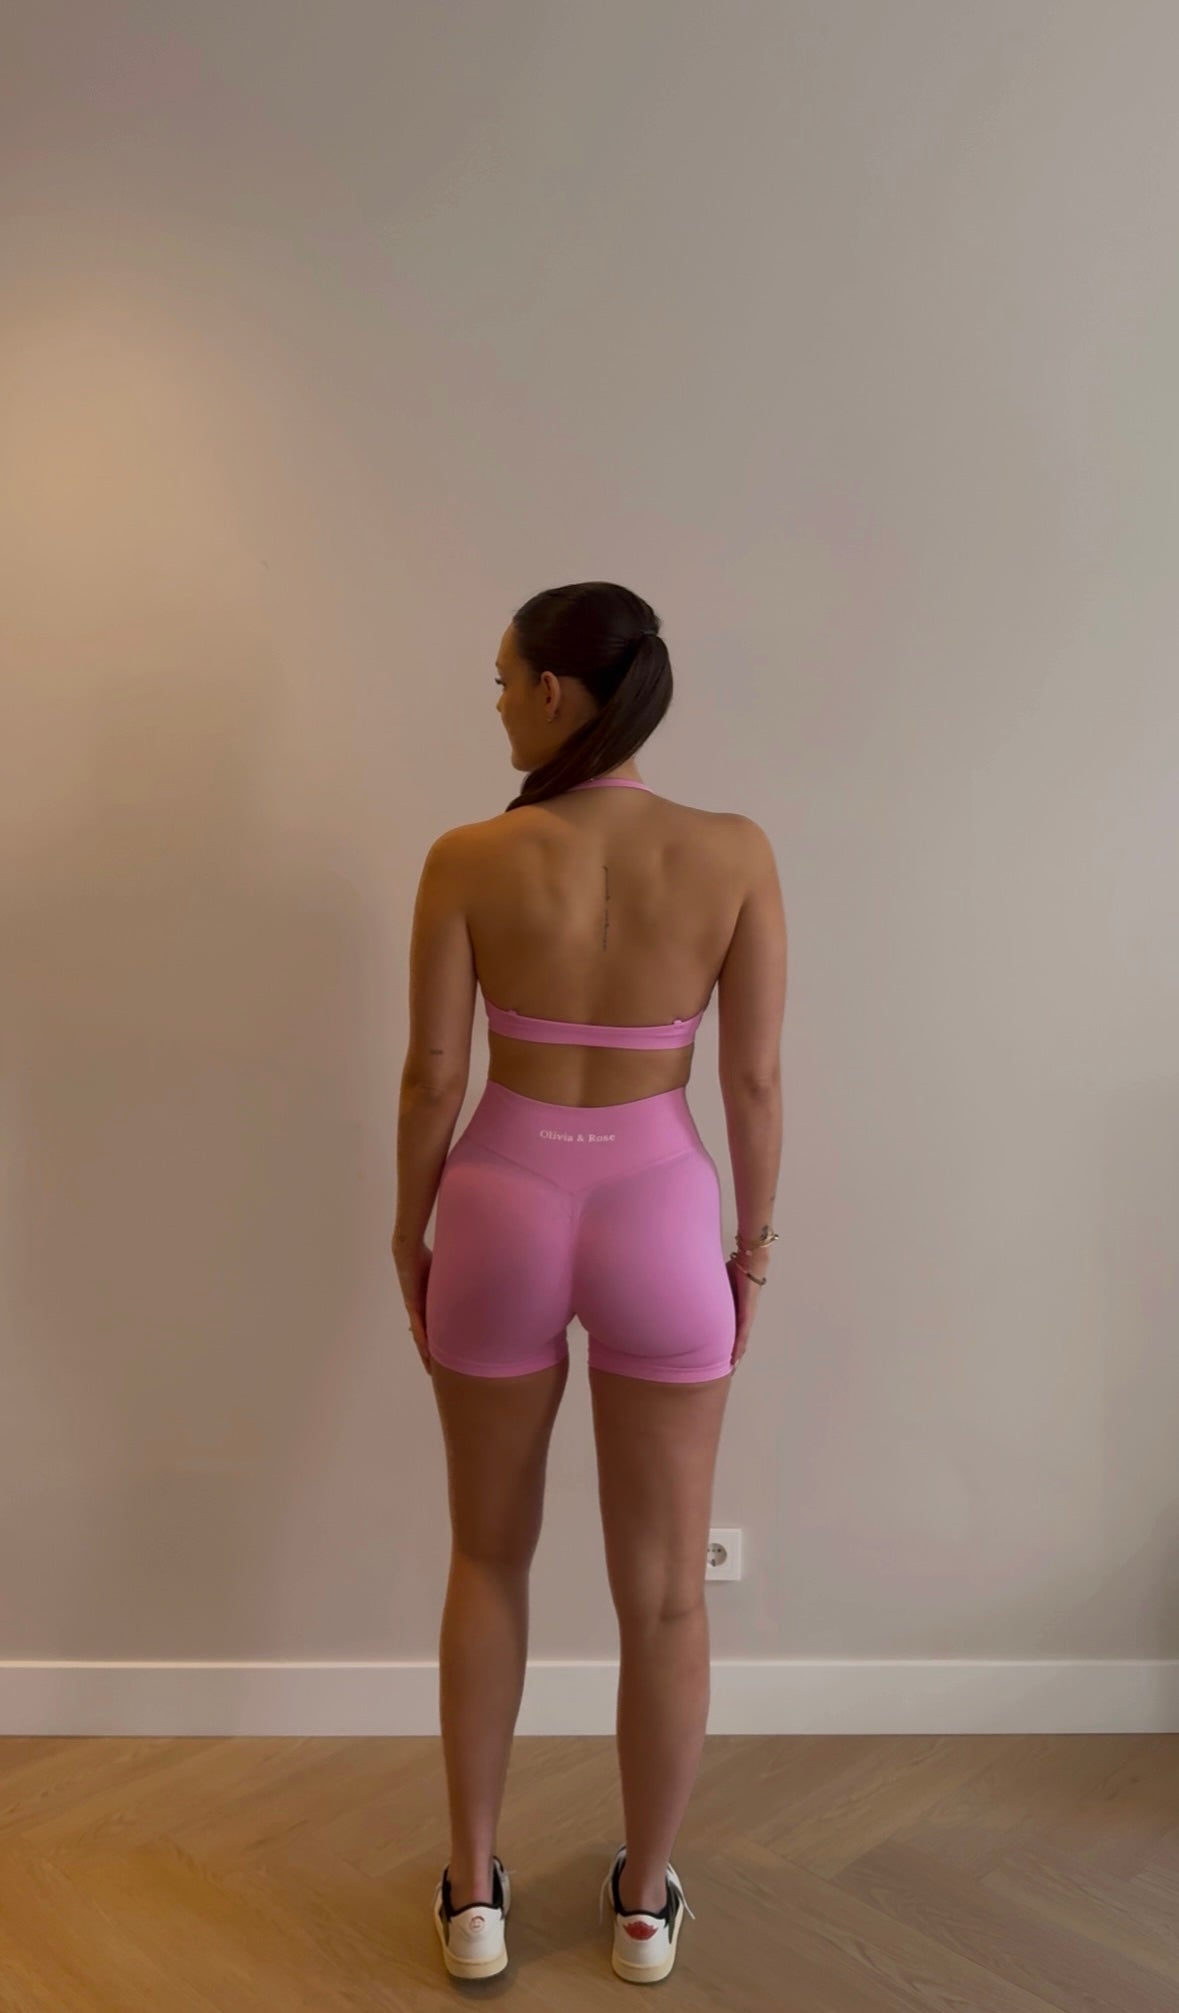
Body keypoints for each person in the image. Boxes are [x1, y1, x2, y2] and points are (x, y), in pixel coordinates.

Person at [391, 579, 786, 1983]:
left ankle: (474, 1896)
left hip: (500, 1200)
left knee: (486, 1556)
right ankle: (643, 1907)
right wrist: (752, 1249)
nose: (500, 704)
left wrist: (408, 1231)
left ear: (558, 691)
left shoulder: (467, 857)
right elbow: (751, 1079)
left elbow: (435, 1075)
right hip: (659, 1211)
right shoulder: (732, 852)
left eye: (505, 681)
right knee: (667, 1592)